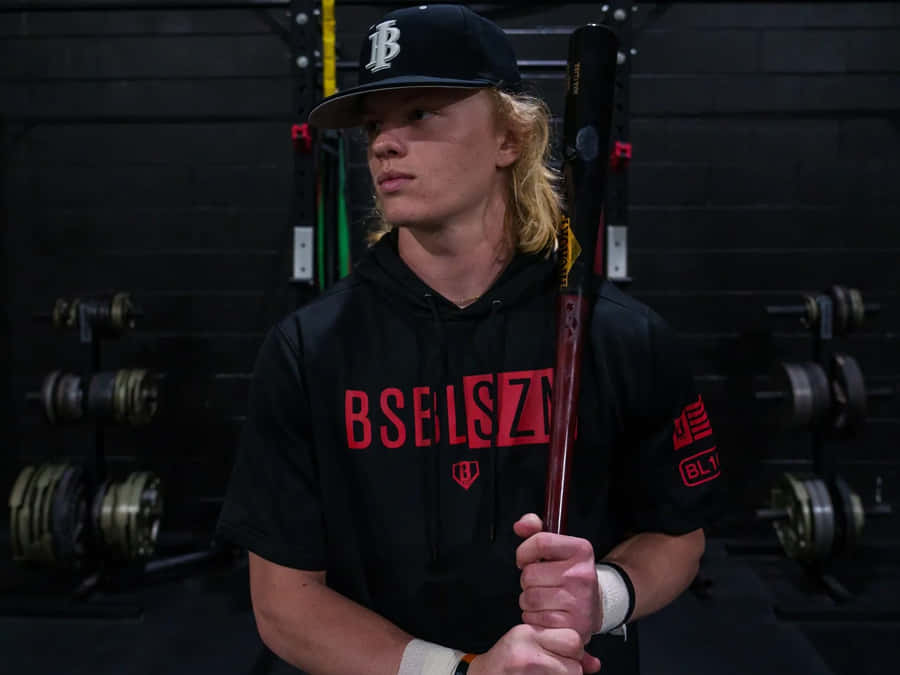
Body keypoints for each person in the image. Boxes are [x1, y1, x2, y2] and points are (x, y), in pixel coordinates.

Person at [215, 5, 723, 675]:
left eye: (420, 113)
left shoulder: (620, 335)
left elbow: (677, 535)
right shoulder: (310, 351)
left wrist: (598, 596)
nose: (384, 144)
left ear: (509, 138)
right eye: (374, 125)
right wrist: (462, 671)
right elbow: (284, 601)